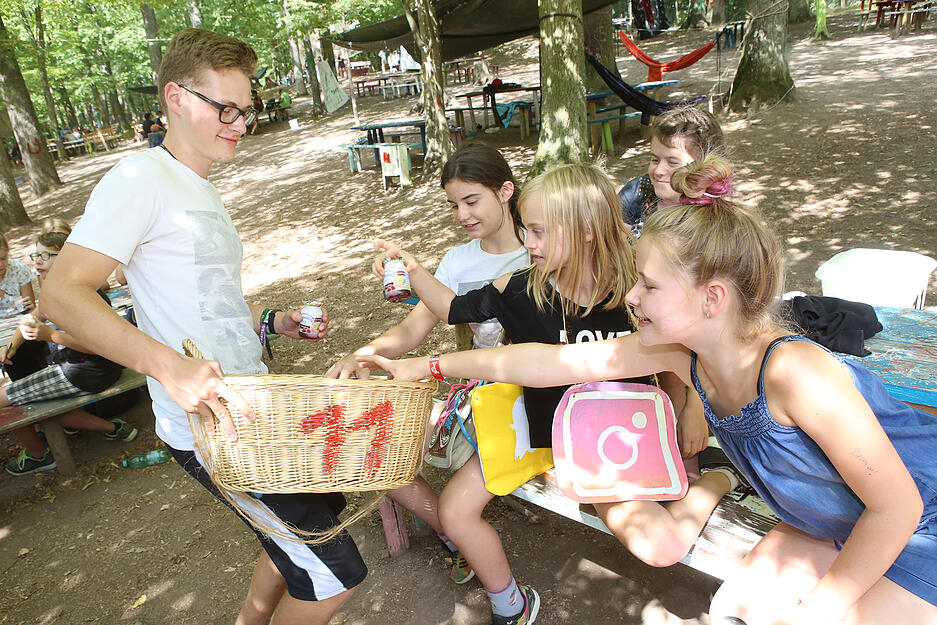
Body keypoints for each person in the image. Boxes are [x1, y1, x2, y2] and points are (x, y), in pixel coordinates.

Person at [362, 154, 937, 625]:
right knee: (733, 612)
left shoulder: (794, 372)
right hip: (832, 522)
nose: (630, 297)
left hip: (918, 526)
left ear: (713, 299)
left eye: (649, 286)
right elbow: (542, 361)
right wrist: (429, 366)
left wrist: (816, 610)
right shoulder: (679, 352)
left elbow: (898, 508)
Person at [40, 28, 365, 625]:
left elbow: (207, 304)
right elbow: (61, 293)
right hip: (211, 427)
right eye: (225, 108)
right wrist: (169, 367)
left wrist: (273, 321)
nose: (240, 124)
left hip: (252, 405)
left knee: (305, 530)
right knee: (333, 574)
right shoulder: (140, 179)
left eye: (246, 109)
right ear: (175, 97)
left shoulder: (200, 188)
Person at [366, 162, 726, 625]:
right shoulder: (519, 288)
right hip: (546, 435)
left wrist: (691, 412)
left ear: (585, 231)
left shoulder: (637, 289)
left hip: (619, 440)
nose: (528, 243)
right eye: (525, 230)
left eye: (538, 232)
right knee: (455, 510)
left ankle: (716, 476)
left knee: (668, 511)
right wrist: (413, 270)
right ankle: (511, 604)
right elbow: (454, 310)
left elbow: (676, 361)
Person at [326, 143, 530, 585]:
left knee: (455, 487)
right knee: (372, 448)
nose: (462, 215)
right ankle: (455, 535)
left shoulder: (540, 248)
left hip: (528, 399)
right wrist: (364, 354)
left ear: (505, 191)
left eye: (471, 201)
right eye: (454, 205)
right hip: (477, 399)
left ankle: (462, 532)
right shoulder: (459, 261)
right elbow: (412, 328)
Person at [3, 231, 137, 476]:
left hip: (87, 373)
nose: (37, 261)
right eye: (35, 255)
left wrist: (50, 336)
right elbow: (31, 318)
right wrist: (10, 348)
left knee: (5, 402)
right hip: (82, 370)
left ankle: (38, 455)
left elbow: (99, 346)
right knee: (32, 400)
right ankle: (113, 428)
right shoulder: (56, 289)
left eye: (46, 255)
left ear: (66, 258)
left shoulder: (79, 294)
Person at [618, 104, 724, 237]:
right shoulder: (637, 192)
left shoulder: (716, 218)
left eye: (672, 162)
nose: (658, 171)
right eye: (655, 159)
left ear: (706, 165)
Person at [0, 233, 36, 316]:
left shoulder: (19, 269)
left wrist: (5, 296)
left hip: (19, 319)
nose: (0, 264)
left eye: (3, 258)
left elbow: (29, 310)